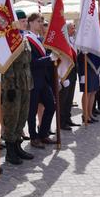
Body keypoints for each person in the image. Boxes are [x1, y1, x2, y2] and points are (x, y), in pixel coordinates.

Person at [1, 10, 35, 164]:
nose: (25, 22)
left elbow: (27, 62)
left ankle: (17, 146)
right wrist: (10, 87)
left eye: (25, 20)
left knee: (22, 117)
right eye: (21, 20)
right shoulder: (9, 40)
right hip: (14, 85)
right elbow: (7, 65)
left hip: (26, 83)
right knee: (11, 118)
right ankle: (10, 151)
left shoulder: (25, 38)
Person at [26, 12, 56, 148]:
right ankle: (33, 137)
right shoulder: (26, 39)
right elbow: (32, 62)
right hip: (33, 80)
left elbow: (44, 57)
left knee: (51, 105)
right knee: (31, 111)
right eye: (38, 21)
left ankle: (43, 133)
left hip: (43, 80)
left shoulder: (39, 39)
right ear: (31, 23)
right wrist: (49, 58)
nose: (40, 23)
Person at [59, 21, 79, 130]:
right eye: (72, 28)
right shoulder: (64, 41)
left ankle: (68, 118)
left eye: (74, 28)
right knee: (64, 98)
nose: (74, 30)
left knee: (70, 97)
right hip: (65, 72)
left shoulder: (72, 40)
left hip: (72, 71)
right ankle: (62, 122)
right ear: (66, 30)